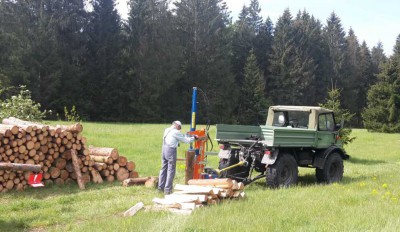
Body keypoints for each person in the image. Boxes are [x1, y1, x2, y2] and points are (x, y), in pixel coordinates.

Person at [158, 120, 197, 195]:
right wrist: (194, 138)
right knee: (171, 170)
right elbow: (186, 140)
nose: (179, 129)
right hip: (171, 151)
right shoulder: (176, 132)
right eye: (179, 127)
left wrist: (184, 136)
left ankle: (160, 188)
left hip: (164, 150)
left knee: (163, 169)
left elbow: (177, 138)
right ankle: (168, 190)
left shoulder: (167, 130)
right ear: (177, 126)